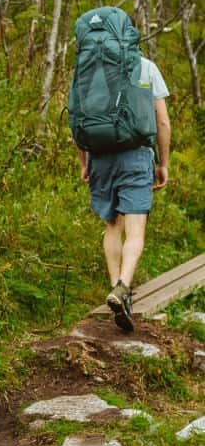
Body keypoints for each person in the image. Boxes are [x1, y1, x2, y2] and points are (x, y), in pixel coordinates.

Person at [74, 56, 171, 333]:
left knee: (113, 225)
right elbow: (162, 121)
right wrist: (163, 163)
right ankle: (123, 286)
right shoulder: (147, 66)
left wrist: (84, 162)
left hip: (101, 157)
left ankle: (115, 287)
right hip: (137, 154)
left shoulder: (90, 68)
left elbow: (77, 120)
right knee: (135, 229)